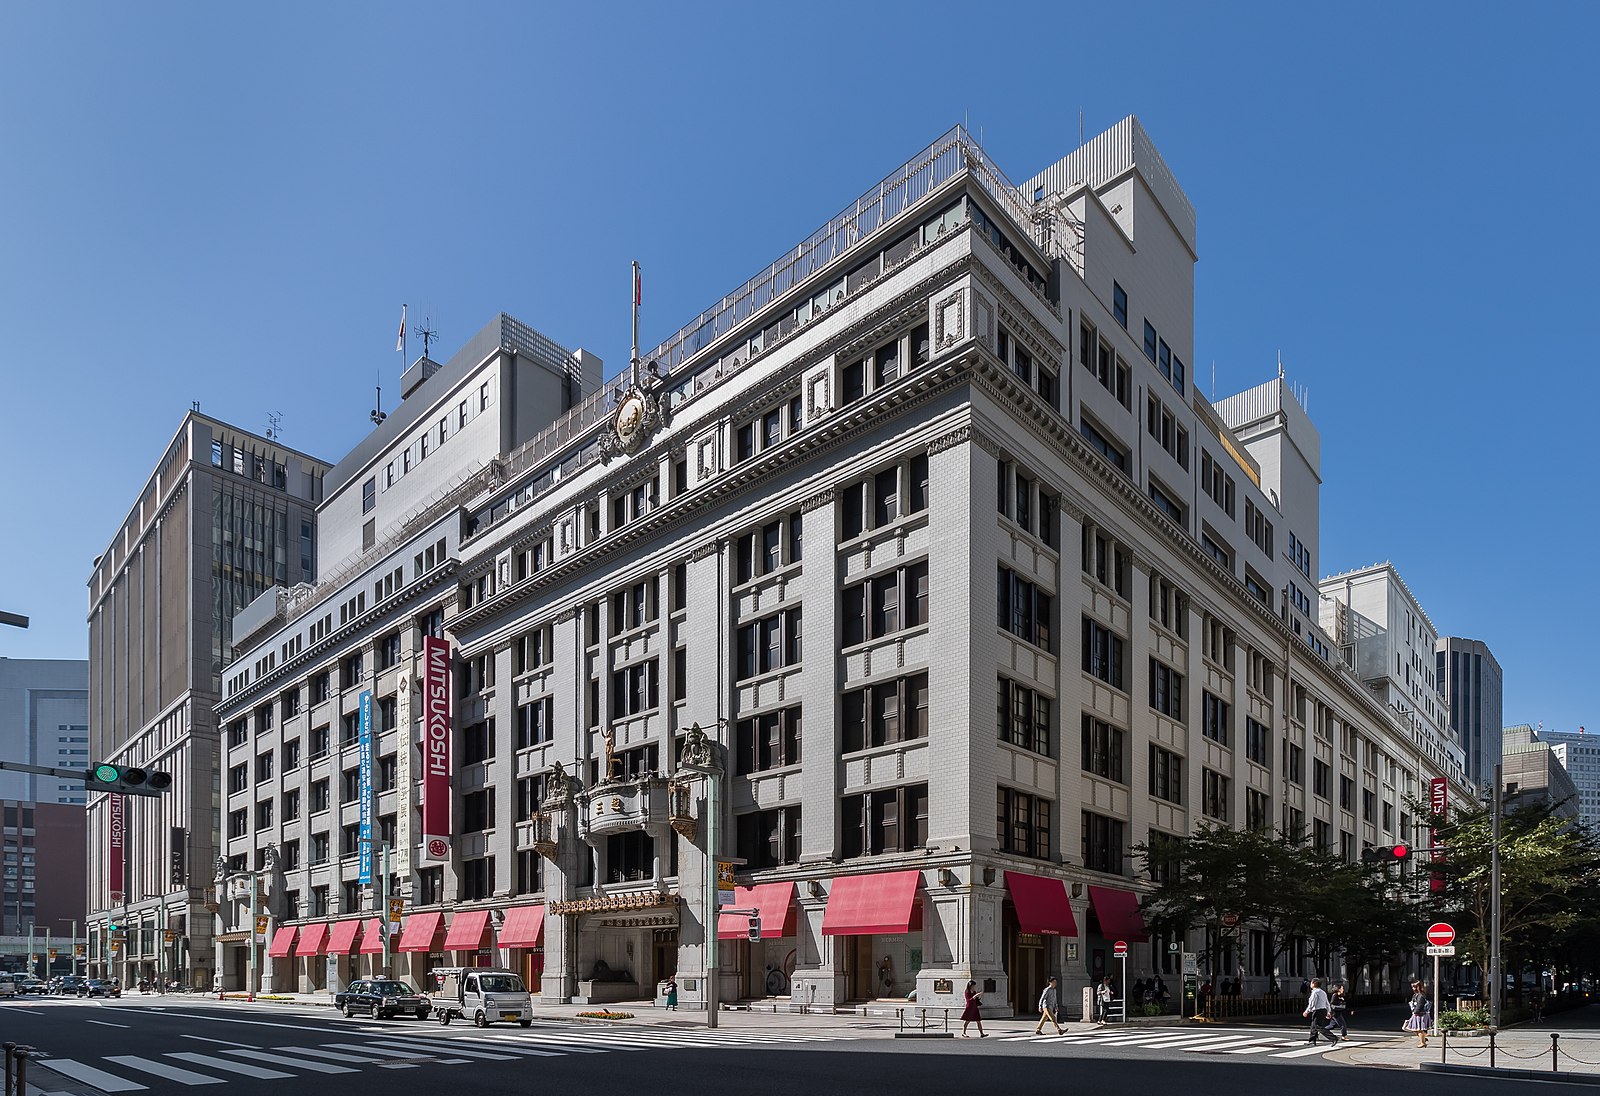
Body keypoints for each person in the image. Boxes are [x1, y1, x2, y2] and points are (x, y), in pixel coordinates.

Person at [1303, 975, 1340, 1045]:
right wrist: (1328, 1011)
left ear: (1313, 984)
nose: (1310, 984)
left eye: (1311, 983)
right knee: (1313, 1025)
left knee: (1318, 1026)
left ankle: (1333, 1038)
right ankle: (1312, 1040)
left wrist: (1306, 1011)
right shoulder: (1323, 992)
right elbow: (1327, 1003)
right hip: (1323, 1010)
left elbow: (1312, 1003)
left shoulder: (1315, 993)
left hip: (1317, 1011)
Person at [1404, 979, 1431, 1047]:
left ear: (1418, 987)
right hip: (1418, 1014)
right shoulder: (1417, 995)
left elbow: (1420, 1004)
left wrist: (1416, 1011)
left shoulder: (1420, 995)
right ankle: (1423, 1038)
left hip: (1420, 1014)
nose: (1412, 988)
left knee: (1419, 1029)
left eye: (1414, 987)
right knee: (1414, 1028)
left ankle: (1423, 1042)